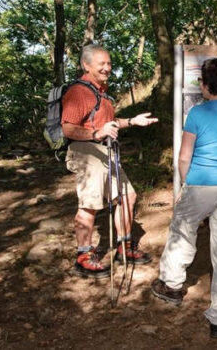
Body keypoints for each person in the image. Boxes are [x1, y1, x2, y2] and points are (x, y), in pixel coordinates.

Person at [150, 57, 217, 339]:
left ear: (206, 86)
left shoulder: (197, 114)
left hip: (200, 184)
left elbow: (184, 156)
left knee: (182, 232)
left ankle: (172, 286)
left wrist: (185, 184)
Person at [62, 44, 158, 278]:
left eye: (109, 63)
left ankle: (123, 247)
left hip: (106, 152)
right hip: (86, 151)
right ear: (86, 65)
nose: (107, 68)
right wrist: (96, 134)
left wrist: (132, 121)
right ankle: (83, 257)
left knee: (128, 196)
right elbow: (68, 128)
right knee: (91, 203)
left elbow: (110, 123)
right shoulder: (78, 92)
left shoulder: (101, 92)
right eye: (101, 64)